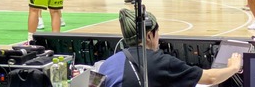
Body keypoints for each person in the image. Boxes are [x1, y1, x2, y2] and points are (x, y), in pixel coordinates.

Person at [98, 8, 242, 87]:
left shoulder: (106, 64)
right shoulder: (162, 62)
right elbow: (211, 78)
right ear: (149, 35)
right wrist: (233, 67)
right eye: (157, 32)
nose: (159, 37)